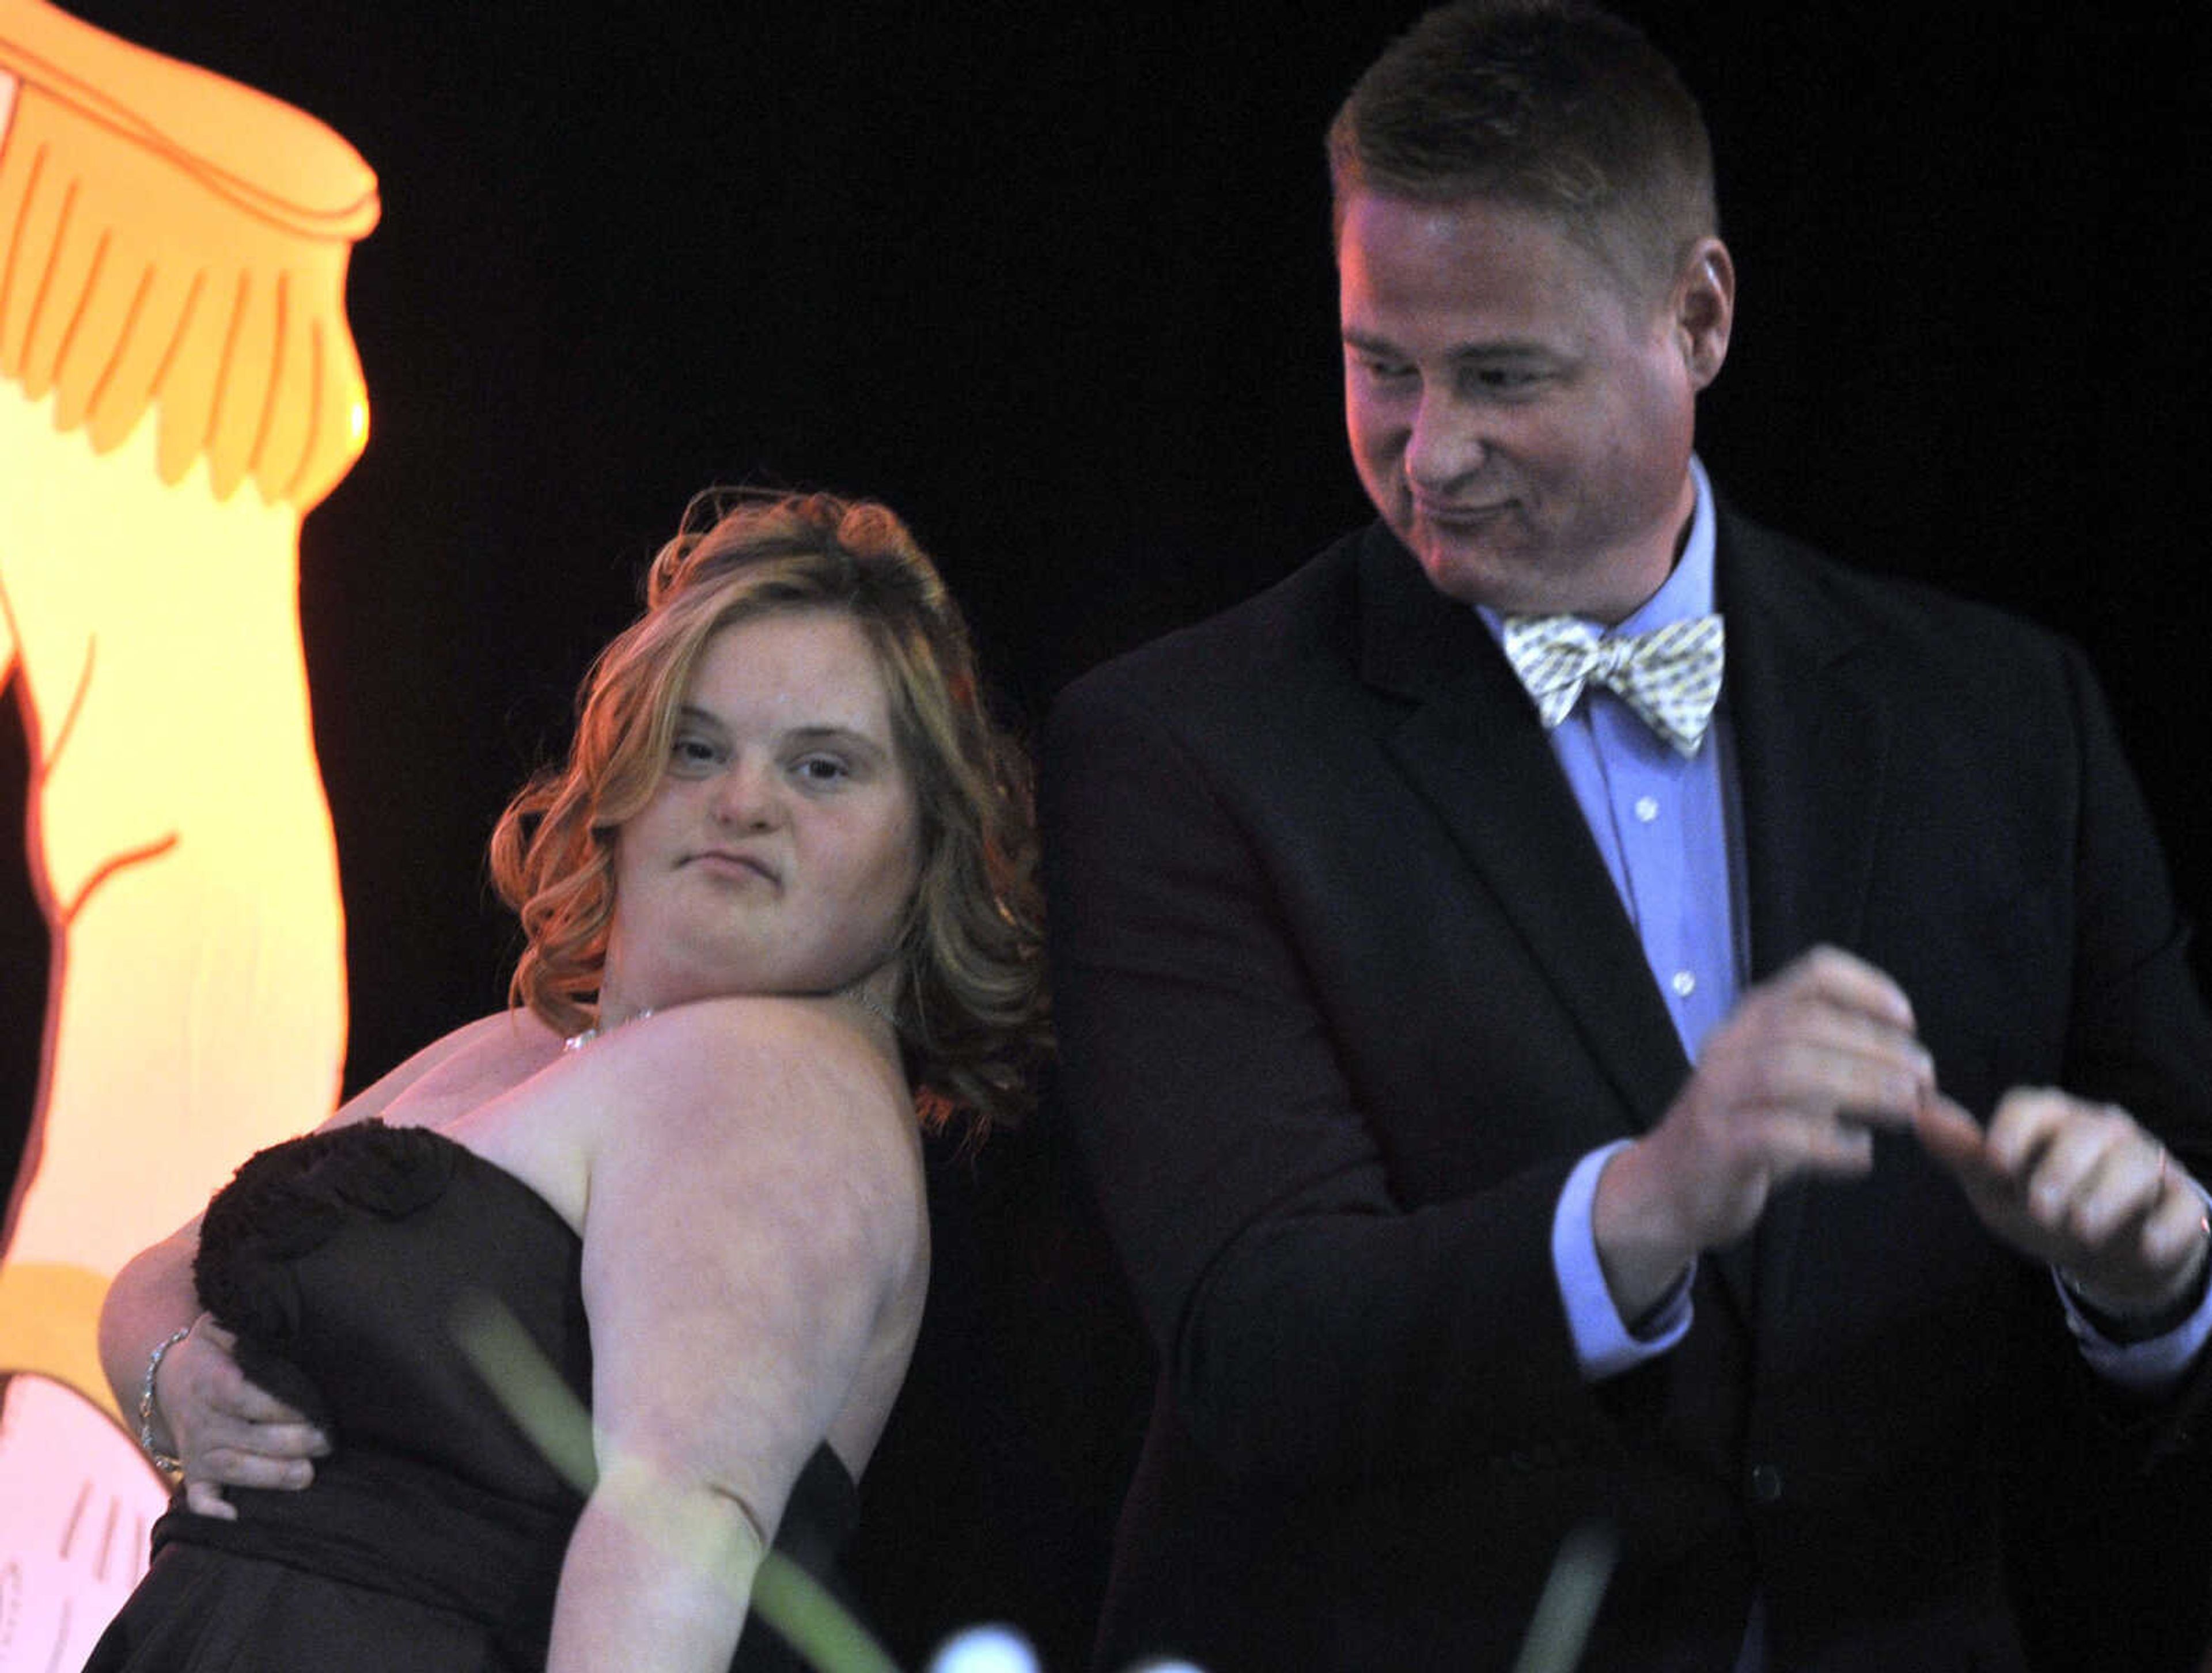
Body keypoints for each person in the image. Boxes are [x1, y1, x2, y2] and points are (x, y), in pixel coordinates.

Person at [1039, 3, 2212, 1669]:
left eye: (1504, 374)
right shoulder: (1179, 744)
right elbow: (1256, 1339)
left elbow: (2178, 1213)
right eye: (1384, 364)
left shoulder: (2012, 721)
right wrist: (1648, 1203)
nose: (1428, 452)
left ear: (1702, 315)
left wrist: (2151, 1284)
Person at [89, 488, 1049, 1672]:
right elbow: (154, 1281)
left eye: (822, 768)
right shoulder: (523, 1049)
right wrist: (182, 1381)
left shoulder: (781, 1082)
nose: (744, 799)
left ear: (927, 845)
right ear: (622, 783)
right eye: (697, 748)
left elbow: (677, 1532)